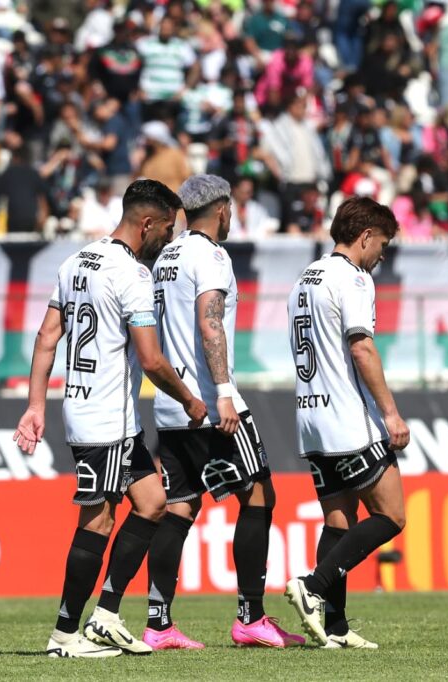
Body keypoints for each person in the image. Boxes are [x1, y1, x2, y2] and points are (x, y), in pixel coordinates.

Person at [13, 179, 207, 658]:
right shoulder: (132, 274)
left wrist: (37, 404)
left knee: (153, 502)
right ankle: (64, 634)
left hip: (102, 414)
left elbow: (46, 336)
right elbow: (152, 359)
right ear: (147, 223)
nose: (168, 237)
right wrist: (189, 399)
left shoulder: (76, 260)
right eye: (167, 227)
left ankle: (106, 616)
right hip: (103, 416)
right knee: (97, 522)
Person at [145, 175, 305, 650]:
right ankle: (250, 617)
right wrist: (223, 392)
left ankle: (158, 624)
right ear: (219, 209)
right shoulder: (210, 255)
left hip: (172, 405)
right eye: (231, 208)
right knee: (259, 496)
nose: (232, 217)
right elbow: (209, 322)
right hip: (210, 403)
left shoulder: (166, 256)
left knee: (180, 506)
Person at [284, 197, 409, 649]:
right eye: (383, 245)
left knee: (339, 522)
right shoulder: (353, 278)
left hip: (310, 419)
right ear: (365, 236)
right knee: (392, 515)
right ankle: (313, 587)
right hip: (347, 419)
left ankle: (333, 627)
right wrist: (391, 413)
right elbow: (361, 348)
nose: (382, 256)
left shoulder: (305, 277)